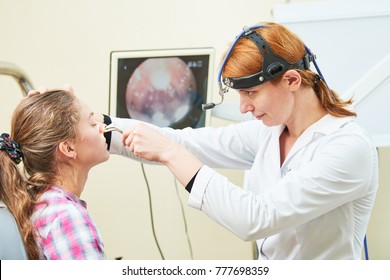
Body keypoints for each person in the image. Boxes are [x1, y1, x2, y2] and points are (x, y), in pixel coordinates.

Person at [103, 22, 379, 259]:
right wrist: (101, 128)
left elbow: (255, 219)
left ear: (292, 80)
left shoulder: (346, 147)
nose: (243, 108)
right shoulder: (268, 132)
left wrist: (171, 154)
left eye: (251, 93)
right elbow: (185, 142)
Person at [0, 89, 108, 259]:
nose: (103, 127)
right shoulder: (67, 218)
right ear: (68, 148)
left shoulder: (38, 204)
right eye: (93, 124)